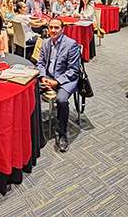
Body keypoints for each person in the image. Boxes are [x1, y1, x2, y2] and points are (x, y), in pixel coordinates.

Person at [36, 18, 81, 153]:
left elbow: (73, 70)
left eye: (56, 28)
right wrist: (43, 77)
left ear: (62, 29)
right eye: (51, 27)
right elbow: (40, 63)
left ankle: (62, 133)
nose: (53, 30)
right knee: (29, 90)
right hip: (48, 77)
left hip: (65, 80)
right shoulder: (45, 43)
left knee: (61, 100)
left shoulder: (71, 44)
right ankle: (35, 129)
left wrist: (57, 82)